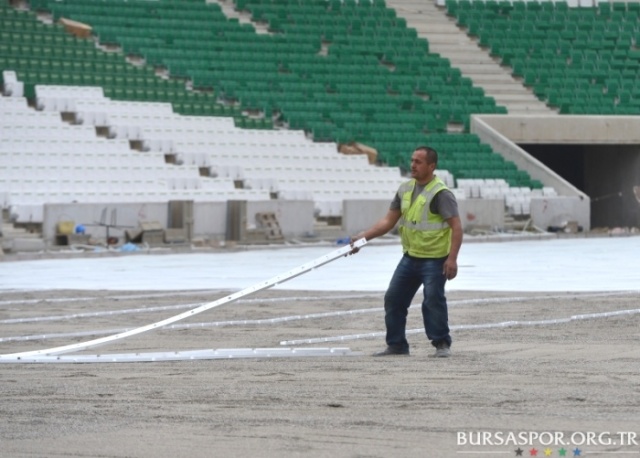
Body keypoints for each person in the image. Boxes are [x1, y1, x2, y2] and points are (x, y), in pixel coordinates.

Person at [350, 146, 463, 358]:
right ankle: (397, 345)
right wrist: (362, 238)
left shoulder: (441, 194)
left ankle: (441, 344)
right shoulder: (405, 189)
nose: (413, 165)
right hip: (410, 258)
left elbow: (457, 227)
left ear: (432, 166)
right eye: (412, 160)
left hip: (435, 260)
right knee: (393, 299)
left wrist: (452, 259)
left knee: (432, 299)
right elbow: (387, 222)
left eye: (418, 162)